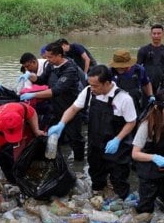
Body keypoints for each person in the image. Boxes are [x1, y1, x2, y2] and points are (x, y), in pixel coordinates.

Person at [49, 65, 137, 199]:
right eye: (90, 84)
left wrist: (118, 139)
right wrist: (61, 123)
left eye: (95, 85)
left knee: (119, 177)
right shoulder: (89, 92)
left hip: (117, 146)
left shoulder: (124, 99)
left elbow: (131, 122)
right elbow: (73, 109)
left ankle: (121, 201)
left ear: (107, 83)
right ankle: (98, 194)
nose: (92, 88)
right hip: (95, 143)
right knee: (96, 173)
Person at [0, 102, 44, 210]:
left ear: (22, 122)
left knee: (9, 159)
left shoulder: (20, 109)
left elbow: (32, 113)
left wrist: (36, 130)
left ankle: (13, 182)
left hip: (2, 130)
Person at [20, 42, 85, 161]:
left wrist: (33, 94)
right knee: (53, 137)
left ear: (59, 55)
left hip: (70, 109)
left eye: (50, 57)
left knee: (75, 139)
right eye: (47, 57)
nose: (47, 59)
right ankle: (56, 161)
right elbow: (41, 80)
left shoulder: (70, 69)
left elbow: (56, 90)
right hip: (55, 108)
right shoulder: (50, 66)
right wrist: (29, 75)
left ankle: (78, 164)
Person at [131, 88, 164, 213]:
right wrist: (154, 157)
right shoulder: (146, 125)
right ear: (157, 108)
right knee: (146, 206)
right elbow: (135, 154)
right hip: (150, 165)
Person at [109, 49, 154, 114]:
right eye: (117, 66)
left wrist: (150, 95)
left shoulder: (139, 70)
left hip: (135, 105)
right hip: (116, 106)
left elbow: (146, 83)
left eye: (122, 67)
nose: (119, 68)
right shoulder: (110, 72)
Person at [137, 24, 164, 94]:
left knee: (162, 104)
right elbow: (137, 67)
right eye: (154, 33)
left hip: (162, 83)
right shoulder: (143, 50)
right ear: (151, 34)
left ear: (163, 34)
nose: (156, 36)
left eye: (159, 33)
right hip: (147, 83)